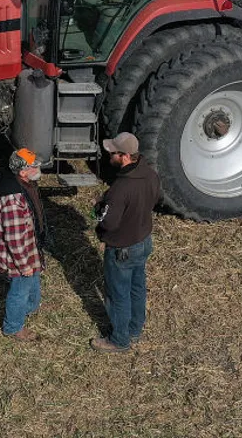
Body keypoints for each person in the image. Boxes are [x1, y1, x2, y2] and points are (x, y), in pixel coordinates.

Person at [90, 132, 161, 353]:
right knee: (137, 288)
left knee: (118, 294)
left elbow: (109, 223)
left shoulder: (120, 188)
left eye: (113, 152)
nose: (109, 155)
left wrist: (99, 208)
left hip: (122, 249)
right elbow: (155, 199)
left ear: (125, 156)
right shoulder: (150, 174)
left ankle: (119, 340)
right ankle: (134, 329)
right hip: (143, 241)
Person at [0, 147, 46, 342]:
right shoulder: (13, 201)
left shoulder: (24, 184)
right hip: (19, 257)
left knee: (32, 286)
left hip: (30, 248)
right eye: (34, 166)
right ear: (23, 172)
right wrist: (24, 265)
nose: (38, 168)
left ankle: (26, 310)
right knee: (19, 291)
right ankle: (13, 327)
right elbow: (14, 240)